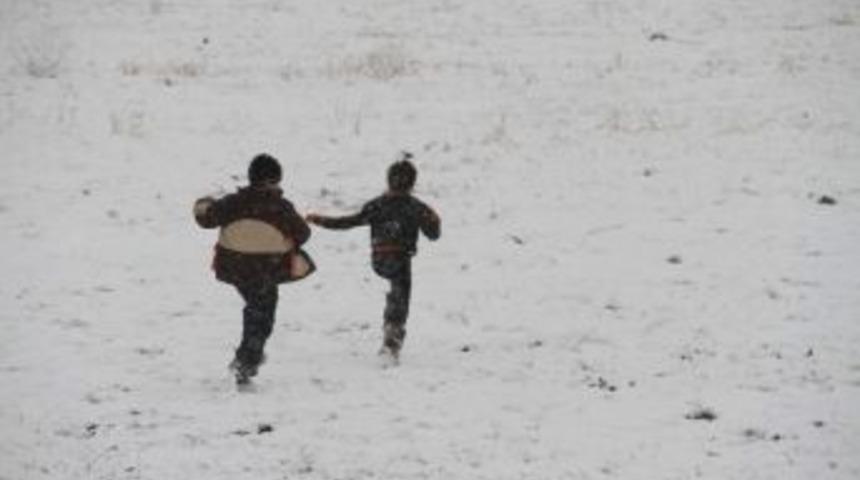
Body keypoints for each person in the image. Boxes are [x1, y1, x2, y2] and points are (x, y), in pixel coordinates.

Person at [306, 154, 440, 362]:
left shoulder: (377, 205)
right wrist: (434, 220)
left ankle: (391, 322)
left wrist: (320, 220)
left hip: (379, 258)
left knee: (396, 287)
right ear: (413, 183)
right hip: (400, 258)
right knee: (400, 292)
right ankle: (392, 339)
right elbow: (434, 235)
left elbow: (347, 222)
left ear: (388, 180)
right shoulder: (416, 207)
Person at [193, 153, 314, 385]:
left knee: (255, 307)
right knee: (263, 314)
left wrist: (203, 203)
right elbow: (303, 234)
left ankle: (247, 357)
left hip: (236, 267)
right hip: (266, 269)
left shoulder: (234, 202)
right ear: (276, 179)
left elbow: (206, 219)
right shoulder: (280, 207)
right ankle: (247, 359)